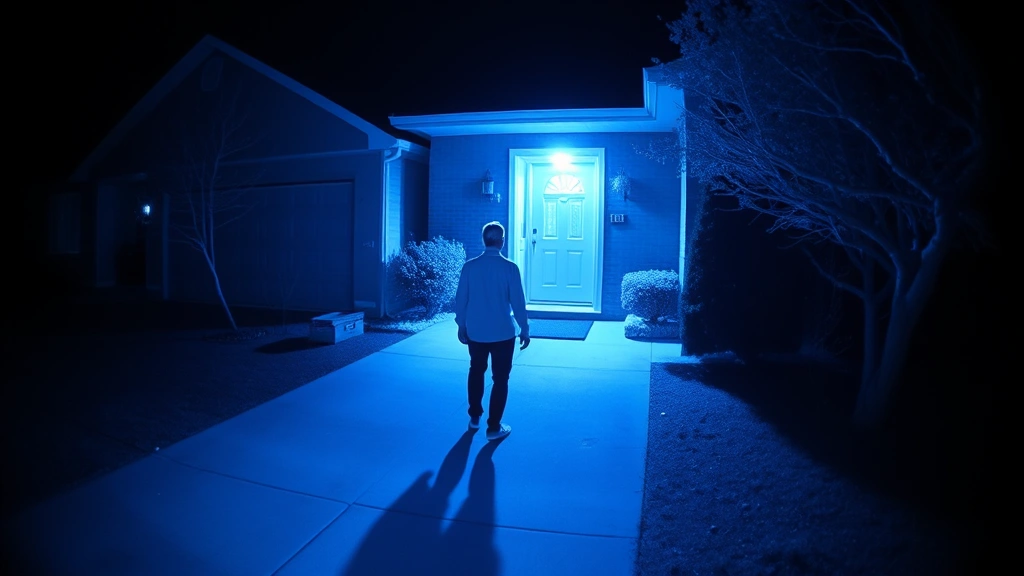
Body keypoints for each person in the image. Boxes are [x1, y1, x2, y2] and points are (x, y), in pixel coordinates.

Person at [454, 221, 530, 441]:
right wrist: (524, 329)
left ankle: (474, 417)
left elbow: (461, 299)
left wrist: (461, 324)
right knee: (500, 379)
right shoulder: (510, 268)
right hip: (503, 333)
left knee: (476, 370)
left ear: (484, 240)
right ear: (502, 241)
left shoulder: (470, 266)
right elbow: (518, 303)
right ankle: (494, 427)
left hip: (476, 332)